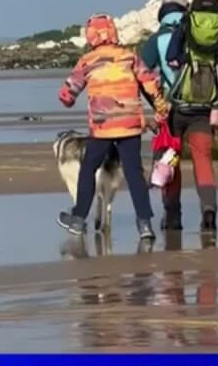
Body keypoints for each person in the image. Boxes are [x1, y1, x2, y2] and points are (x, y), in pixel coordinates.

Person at [57, 13, 169, 241]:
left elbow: (68, 96)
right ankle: (145, 224)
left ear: (92, 35)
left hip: (102, 126)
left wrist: (67, 96)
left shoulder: (87, 61)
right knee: (134, 172)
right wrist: (161, 111)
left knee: (89, 168)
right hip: (130, 125)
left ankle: (78, 219)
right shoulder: (130, 57)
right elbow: (151, 84)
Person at [141, 0, 218, 233]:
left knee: (169, 160)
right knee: (202, 159)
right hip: (204, 110)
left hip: (173, 112)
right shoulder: (213, 35)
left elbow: (141, 75)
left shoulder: (158, 40)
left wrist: (156, 105)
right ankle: (209, 211)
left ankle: (173, 217)